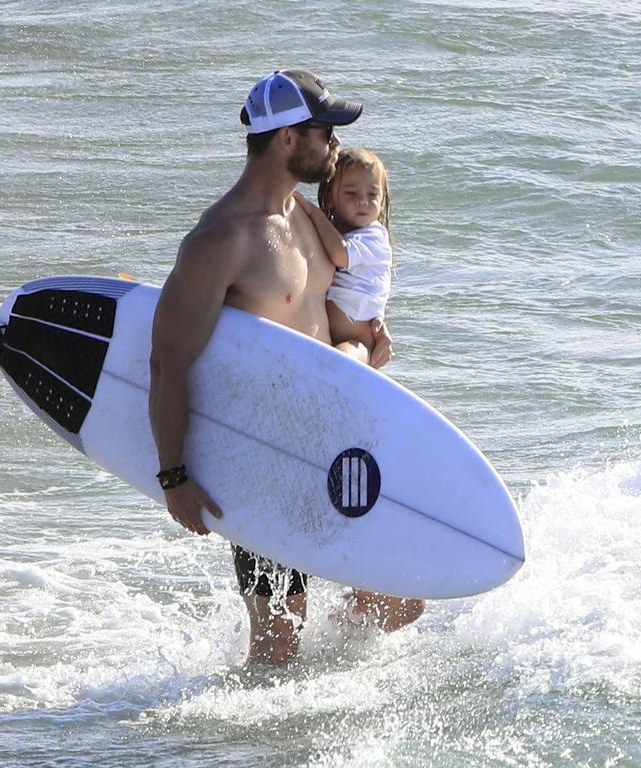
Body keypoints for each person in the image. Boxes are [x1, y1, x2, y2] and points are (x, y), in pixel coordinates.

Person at [148, 70, 424, 665]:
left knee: (402, 601)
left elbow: (319, 313)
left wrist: (363, 337)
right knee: (277, 641)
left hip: (333, 445)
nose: (334, 146)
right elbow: (167, 358)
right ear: (287, 140)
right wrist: (173, 474)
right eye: (325, 132)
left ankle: (323, 689)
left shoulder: (303, 215)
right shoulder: (223, 239)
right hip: (263, 458)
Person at [293, 148, 393, 364]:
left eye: (372, 194)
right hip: (336, 336)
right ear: (330, 197)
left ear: (382, 199)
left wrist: (312, 212)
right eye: (351, 193)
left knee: (337, 361)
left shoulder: (374, 236)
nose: (362, 201)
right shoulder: (334, 232)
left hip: (358, 339)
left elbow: (340, 255)